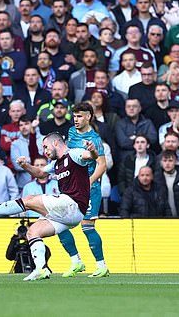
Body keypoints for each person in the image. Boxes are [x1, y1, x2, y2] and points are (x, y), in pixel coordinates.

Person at [0, 132, 99, 281]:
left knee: (29, 200)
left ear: (55, 143)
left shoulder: (74, 154)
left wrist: (93, 150)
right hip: (70, 215)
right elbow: (39, 173)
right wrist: (25, 165)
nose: (45, 151)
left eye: (45, 147)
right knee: (32, 232)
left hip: (72, 204)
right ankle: (41, 269)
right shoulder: (56, 163)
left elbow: (90, 156)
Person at [58, 103, 109, 279]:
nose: (76, 119)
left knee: (87, 227)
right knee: (59, 224)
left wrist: (86, 183)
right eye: (74, 116)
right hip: (70, 188)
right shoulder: (71, 132)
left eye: (80, 116)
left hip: (89, 189)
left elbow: (102, 165)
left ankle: (101, 266)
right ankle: (76, 262)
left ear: (89, 116)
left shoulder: (94, 139)